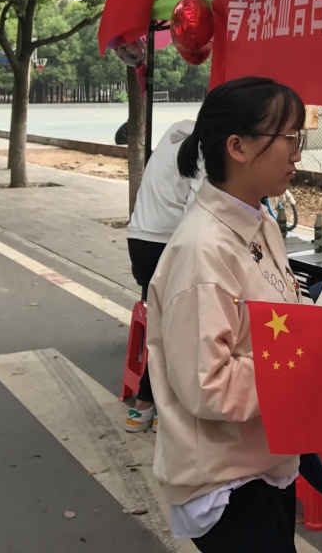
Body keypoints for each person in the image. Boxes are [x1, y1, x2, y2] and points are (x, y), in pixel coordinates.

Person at [146, 77, 322, 553]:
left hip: (269, 460)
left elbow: (283, 316)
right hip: (226, 480)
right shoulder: (203, 251)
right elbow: (209, 384)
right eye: (290, 139)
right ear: (237, 147)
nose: (298, 154)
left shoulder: (260, 223)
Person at [124, 119, 201, 432]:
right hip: (166, 243)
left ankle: (147, 407)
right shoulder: (207, 148)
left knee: (161, 324)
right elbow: (198, 208)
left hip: (139, 239)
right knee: (179, 327)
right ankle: (155, 406)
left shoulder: (176, 132)